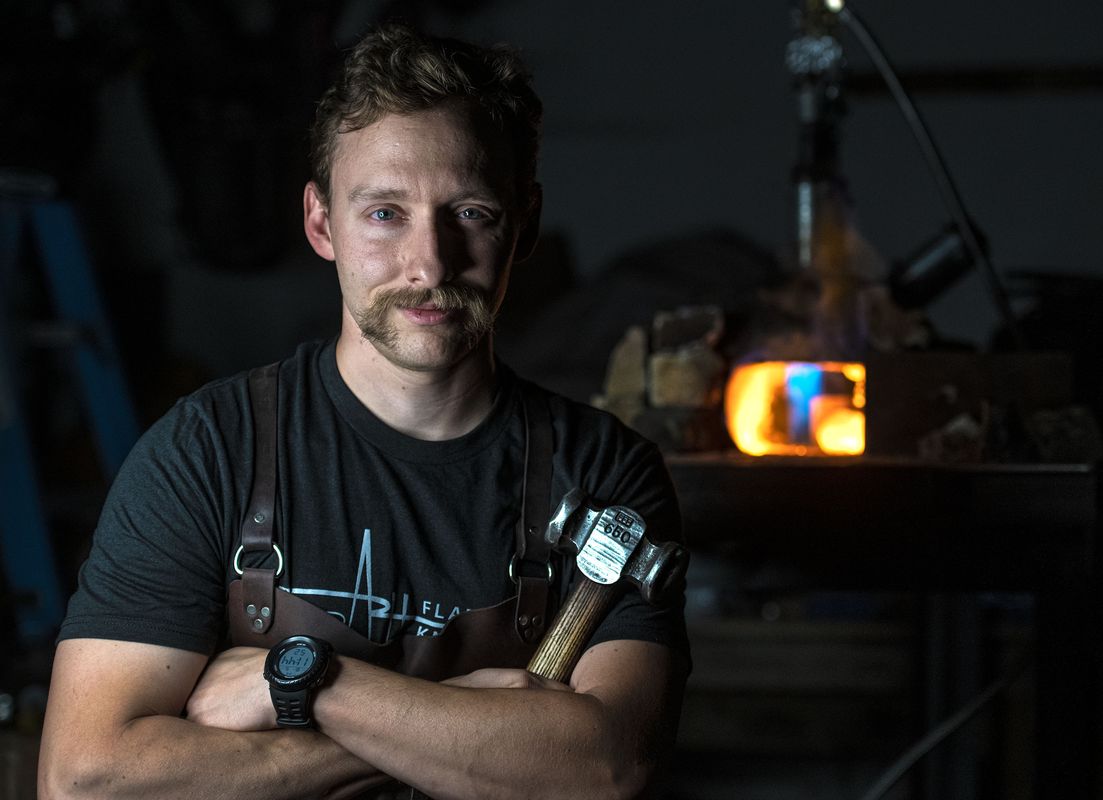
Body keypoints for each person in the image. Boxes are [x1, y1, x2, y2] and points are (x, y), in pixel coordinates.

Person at [38, 21, 689, 800]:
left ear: (525, 224)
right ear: (322, 223)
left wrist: (310, 680)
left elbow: (604, 770)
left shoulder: (605, 472)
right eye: (385, 213)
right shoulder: (208, 452)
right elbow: (88, 779)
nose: (429, 263)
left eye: (471, 212)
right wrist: (473, 724)